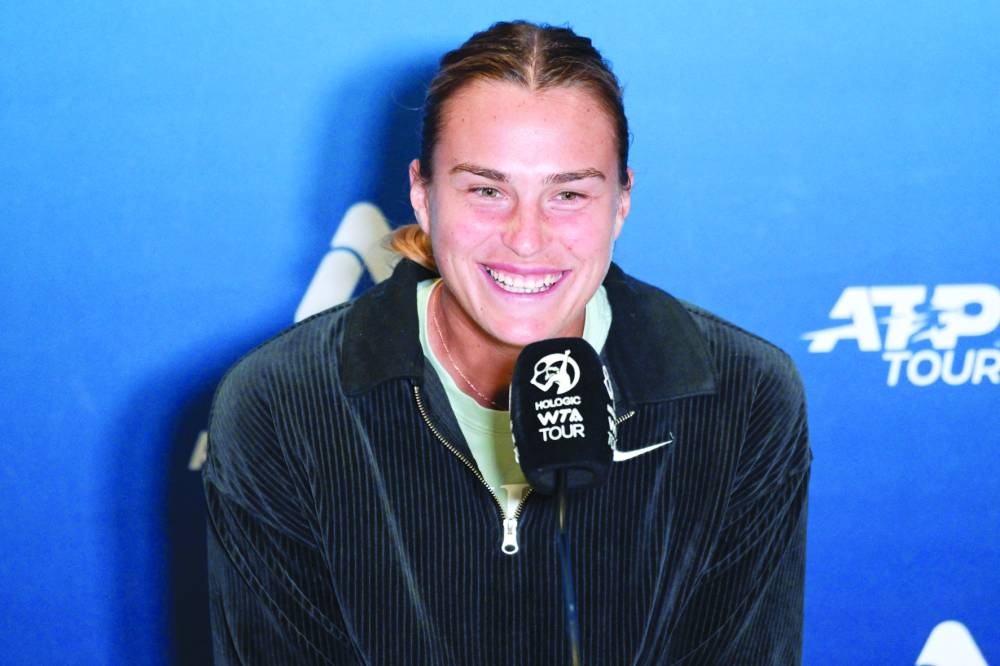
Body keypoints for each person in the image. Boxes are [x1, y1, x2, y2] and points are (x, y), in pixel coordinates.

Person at [203, 20, 811, 665]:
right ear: (423, 195)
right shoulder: (284, 401)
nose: (526, 238)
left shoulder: (742, 393)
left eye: (568, 193)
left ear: (621, 202)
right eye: (487, 190)